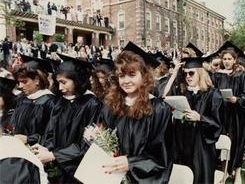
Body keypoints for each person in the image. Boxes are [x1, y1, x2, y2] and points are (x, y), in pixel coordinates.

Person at [96, 41, 173, 183]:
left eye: (132, 74)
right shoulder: (110, 106)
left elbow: (162, 158)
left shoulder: (159, 110)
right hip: (112, 177)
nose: (126, 81)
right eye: (121, 76)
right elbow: (100, 146)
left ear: (144, 76)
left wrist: (131, 163)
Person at [32, 54, 105, 183]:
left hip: (77, 170)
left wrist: (54, 155)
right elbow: (51, 132)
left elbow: (88, 143)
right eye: (58, 82)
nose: (60, 88)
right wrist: (45, 148)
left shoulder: (92, 104)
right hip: (56, 167)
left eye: (64, 82)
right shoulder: (60, 102)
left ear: (77, 80)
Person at [171, 57, 223, 184]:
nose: (187, 76)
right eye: (185, 73)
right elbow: (161, 96)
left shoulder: (213, 94)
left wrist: (200, 118)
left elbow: (217, 124)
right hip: (182, 145)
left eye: (191, 73)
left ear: (200, 72)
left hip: (201, 148)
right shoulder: (183, 92)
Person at [211, 46, 245, 184]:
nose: (227, 61)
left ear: (235, 60)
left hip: (236, 114)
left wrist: (238, 100)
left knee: (237, 142)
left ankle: (237, 173)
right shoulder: (216, 75)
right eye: (224, 59)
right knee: (222, 140)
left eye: (229, 59)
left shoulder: (241, 75)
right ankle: (225, 171)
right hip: (221, 113)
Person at [11, 55, 56, 146]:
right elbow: (12, 122)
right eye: (19, 82)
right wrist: (8, 131)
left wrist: (28, 139)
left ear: (37, 80)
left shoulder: (50, 102)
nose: (20, 86)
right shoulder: (21, 99)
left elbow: (52, 135)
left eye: (24, 82)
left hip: (36, 152)